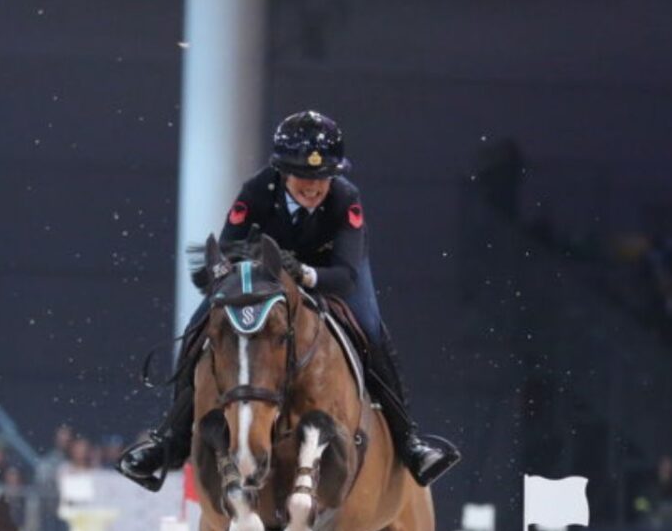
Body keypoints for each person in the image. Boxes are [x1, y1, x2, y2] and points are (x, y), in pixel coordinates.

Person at [118, 110, 459, 491]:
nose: (313, 187)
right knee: (199, 323)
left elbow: (346, 276)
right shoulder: (257, 189)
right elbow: (230, 245)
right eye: (303, 178)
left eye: (322, 178)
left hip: (332, 274)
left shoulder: (346, 198)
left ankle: (410, 441)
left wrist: (304, 274)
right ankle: (170, 439)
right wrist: (270, 265)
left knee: (372, 332)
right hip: (268, 271)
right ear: (282, 172)